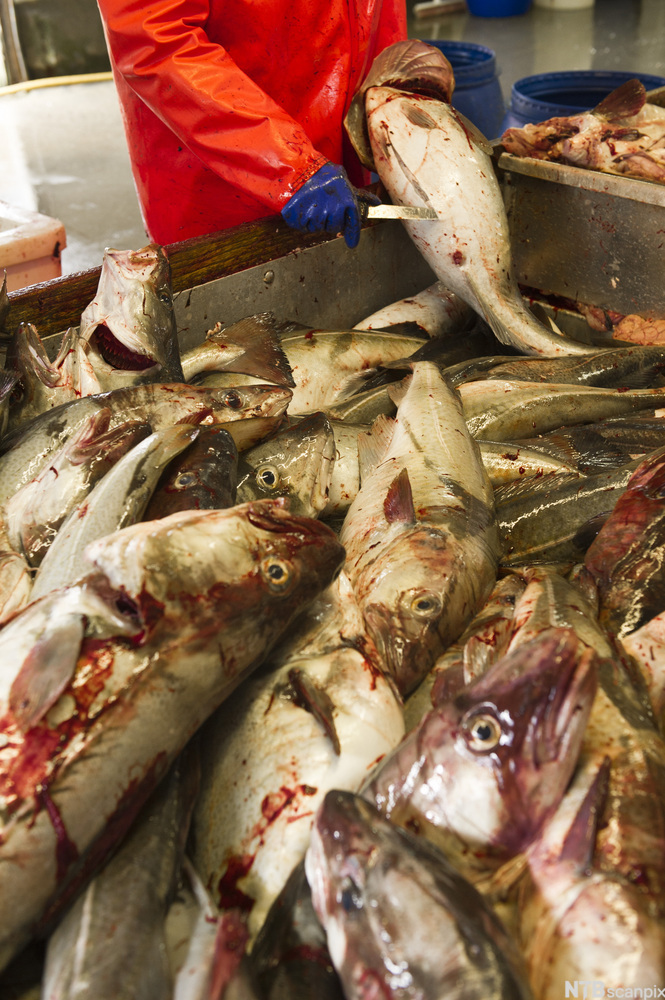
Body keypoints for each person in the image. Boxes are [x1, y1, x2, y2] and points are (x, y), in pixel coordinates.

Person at [97, 0, 407, 248]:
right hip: (221, 189)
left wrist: (398, 93)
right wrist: (286, 165)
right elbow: (156, 40)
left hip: (341, 168)